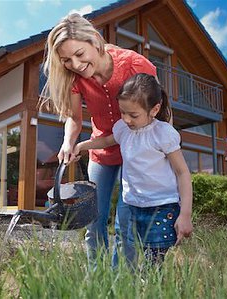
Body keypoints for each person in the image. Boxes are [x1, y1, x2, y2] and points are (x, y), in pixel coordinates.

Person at [40, 13, 157, 267]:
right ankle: (98, 281)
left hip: (135, 149)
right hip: (101, 150)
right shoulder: (74, 77)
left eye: (80, 54)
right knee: (93, 220)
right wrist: (68, 142)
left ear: (95, 40)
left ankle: (121, 282)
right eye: (67, 60)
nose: (76, 64)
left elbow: (153, 118)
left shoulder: (136, 66)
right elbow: (74, 117)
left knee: (126, 222)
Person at [74, 73, 193, 266]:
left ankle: (152, 288)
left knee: (154, 258)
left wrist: (185, 214)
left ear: (154, 109)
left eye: (133, 115)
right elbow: (107, 140)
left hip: (161, 206)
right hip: (132, 204)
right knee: (130, 245)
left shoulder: (163, 134)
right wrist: (82, 146)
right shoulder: (123, 128)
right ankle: (126, 283)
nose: (127, 119)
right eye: (123, 112)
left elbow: (182, 172)